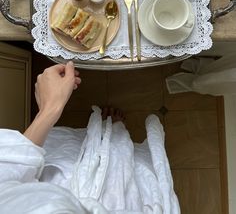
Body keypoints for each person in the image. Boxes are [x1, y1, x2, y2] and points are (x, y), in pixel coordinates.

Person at [0, 61, 180, 214]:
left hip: (52, 184)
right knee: (129, 167)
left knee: (67, 148)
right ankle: (114, 134)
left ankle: (107, 134)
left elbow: (8, 175)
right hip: (123, 204)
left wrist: (49, 110)